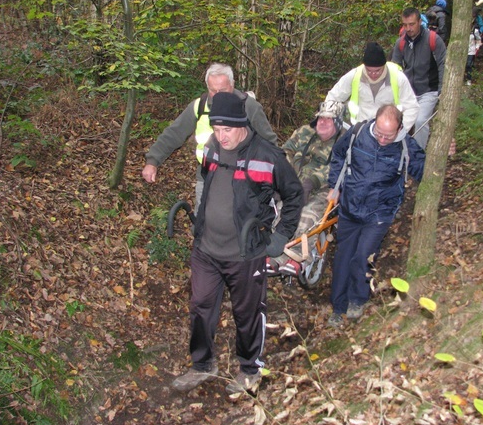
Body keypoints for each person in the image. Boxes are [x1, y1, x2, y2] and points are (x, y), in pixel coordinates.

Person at [171, 92, 303, 394]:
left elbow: (294, 194)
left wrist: (281, 235)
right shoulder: (212, 148)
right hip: (206, 249)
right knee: (201, 306)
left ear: (242, 125)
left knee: (247, 313)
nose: (221, 136)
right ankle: (202, 365)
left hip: (244, 253)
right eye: (216, 129)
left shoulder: (267, 155)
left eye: (227, 130)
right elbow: (207, 184)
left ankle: (249, 369)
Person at [326, 105, 426, 328]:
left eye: (388, 136)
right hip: (350, 208)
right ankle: (338, 307)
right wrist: (335, 185)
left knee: (364, 256)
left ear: (400, 128)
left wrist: (444, 153)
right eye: (380, 134)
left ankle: (358, 299)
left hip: (379, 213)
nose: (382, 140)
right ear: (374, 123)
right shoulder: (357, 134)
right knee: (343, 257)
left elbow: (426, 169)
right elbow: (338, 155)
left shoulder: (406, 147)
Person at [142, 63, 278, 210]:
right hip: (208, 176)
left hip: (244, 179)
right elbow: (174, 134)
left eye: (223, 90)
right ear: (207, 87)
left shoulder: (249, 107)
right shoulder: (199, 106)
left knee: (241, 224)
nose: (218, 94)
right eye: (213, 90)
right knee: (204, 222)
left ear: (232, 85)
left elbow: (269, 142)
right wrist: (152, 161)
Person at [271, 101, 347, 277]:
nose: (323, 122)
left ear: (337, 122)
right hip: (294, 182)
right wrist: (282, 178)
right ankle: (277, 252)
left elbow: (342, 167)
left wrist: (312, 181)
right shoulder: (304, 132)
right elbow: (285, 153)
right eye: (321, 118)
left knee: (307, 214)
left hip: (324, 189)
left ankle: (299, 257)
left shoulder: (345, 140)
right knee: (279, 211)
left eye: (329, 119)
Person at [325, 41, 419, 132]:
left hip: (387, 132)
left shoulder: (398, 78)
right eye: (369, 70)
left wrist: (400, 130)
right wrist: (329, 119)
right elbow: (333, 98)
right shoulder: (354, 76)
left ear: (384, 66)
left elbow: (411, 107)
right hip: (360, 129)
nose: (373, 74)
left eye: (378, 71)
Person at [391, 7, 447, 150]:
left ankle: (418, 157)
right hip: (408, 92)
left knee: (420, 121)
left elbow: (443, 64)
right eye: (405, 25)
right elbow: (395, 69)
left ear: (419, 22)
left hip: (430, 90)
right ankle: (396, 156)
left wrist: (442, 89)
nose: (408, 28)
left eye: (412, 24)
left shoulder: (433, 39)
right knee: (394, 121)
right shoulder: (401, 43)